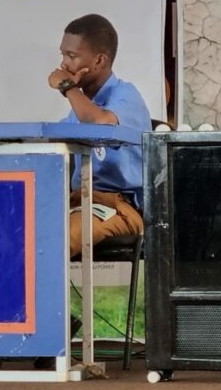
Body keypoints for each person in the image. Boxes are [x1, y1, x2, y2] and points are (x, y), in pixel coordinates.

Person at [47, 13, 150, 257]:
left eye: (71, 56)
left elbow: (101, 125)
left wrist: (67, 87)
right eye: (62, 54)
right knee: (24, 228)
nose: (64, 65)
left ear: (99, 60)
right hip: (78, 202)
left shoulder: (126, 95)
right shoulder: (83, 106)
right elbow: (54, 138)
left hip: (119, 206)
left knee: (52, 244)